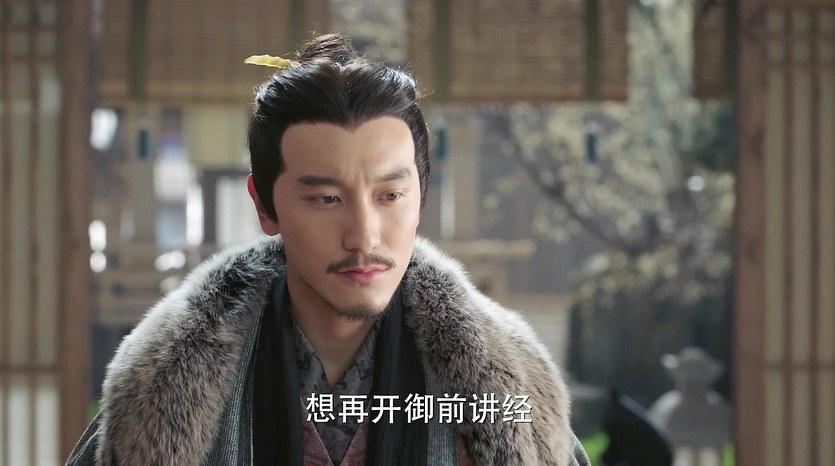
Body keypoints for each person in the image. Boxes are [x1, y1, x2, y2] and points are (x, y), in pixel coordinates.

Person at [66, 33, 591, 466]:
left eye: (390, 196)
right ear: (265, 205)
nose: (364, 236)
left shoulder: (506, 387)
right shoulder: (162, 384)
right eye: (326, 198)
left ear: (421, 198)